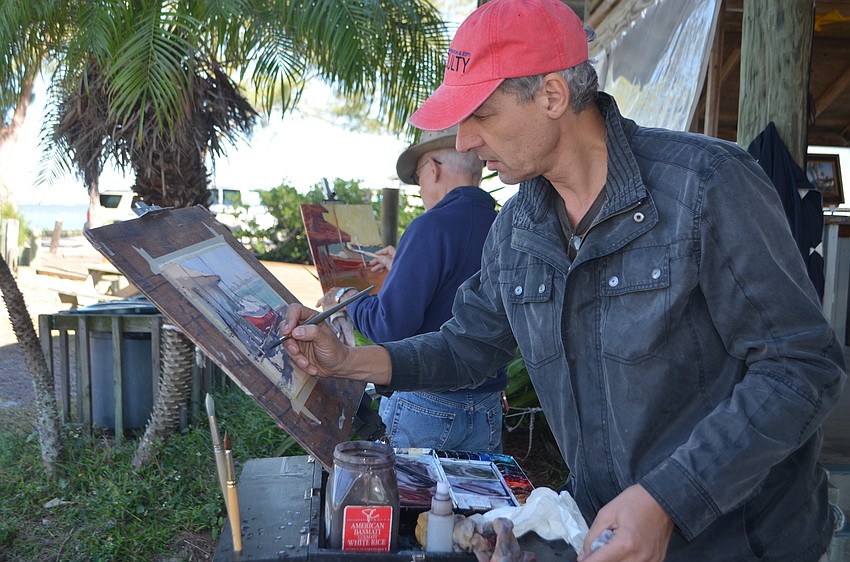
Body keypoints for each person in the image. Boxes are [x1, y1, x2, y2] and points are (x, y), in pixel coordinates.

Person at [282, 1, 847, 561]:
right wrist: (346, 361)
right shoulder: (518, 227)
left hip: (743, 541)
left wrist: (666, 501)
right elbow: (467, 346)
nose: (463, 143)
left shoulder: (706, 187)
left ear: (553, 95)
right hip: (597, 531)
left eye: (482, 114)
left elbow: (801, 366)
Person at [317, 126, 507, 452]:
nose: (419, 189)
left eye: (418, 177)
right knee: (474, 503)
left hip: (428, 403)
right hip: (487, 405)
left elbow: (388, 325)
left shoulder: (431, 226)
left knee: (411, 503)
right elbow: (462, 286)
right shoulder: (504, 224)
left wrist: (344, 298)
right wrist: (401, 266)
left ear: (432, 168)